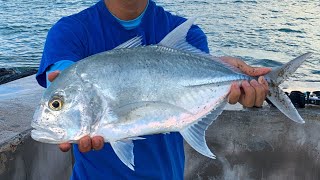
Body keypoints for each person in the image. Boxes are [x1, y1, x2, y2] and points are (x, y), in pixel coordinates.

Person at [36, 0, 270, 179]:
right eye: (56, 106)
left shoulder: (187, 33)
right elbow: (62, 73)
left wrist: (232, 78)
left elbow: (201, 73)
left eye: (56, 105)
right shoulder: (70, 30)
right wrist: (61, 85)